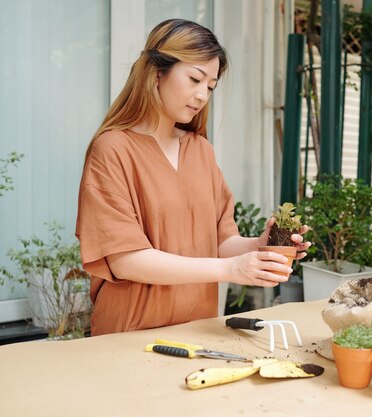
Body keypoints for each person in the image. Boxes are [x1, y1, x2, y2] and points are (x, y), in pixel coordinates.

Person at [75, 19, 310, 336]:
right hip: (129, 333)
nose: (202, 95)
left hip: (199, 330)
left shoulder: (201, 151)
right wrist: (229, 269)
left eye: (210, 87)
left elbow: (220, 241)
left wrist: (260, 247)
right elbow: (124, 260)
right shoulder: (112, 149)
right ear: (157, 73)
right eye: (195, 79)